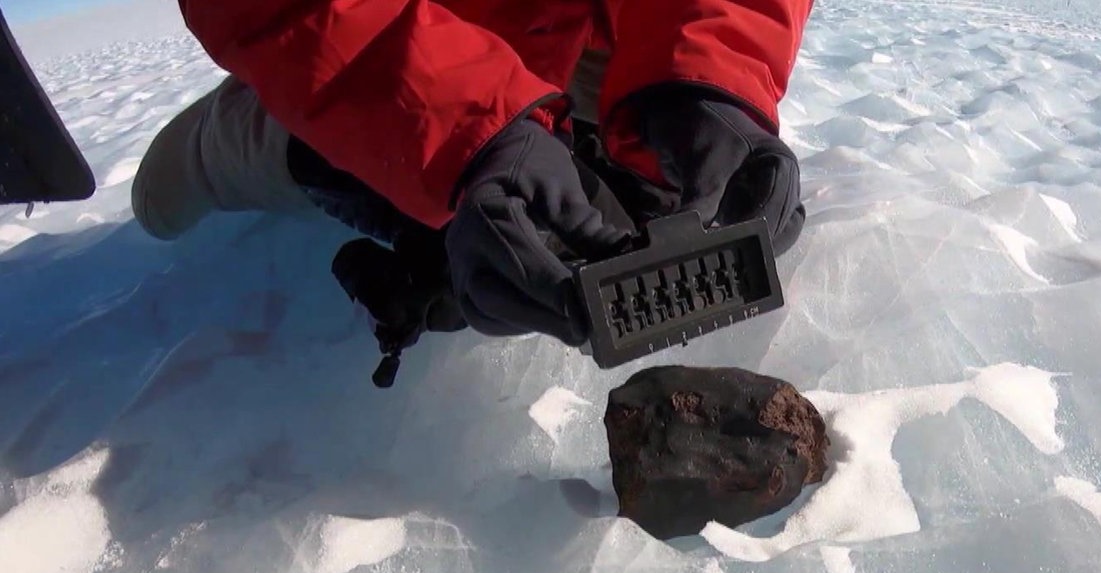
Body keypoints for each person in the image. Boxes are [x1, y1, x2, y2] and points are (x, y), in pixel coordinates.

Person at [132, 0, 812, 349]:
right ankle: (241, 124)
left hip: (578, 34)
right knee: (161, 196)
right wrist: (460, 134)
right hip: (360, 38)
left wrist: (712, 78)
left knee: (646, 191)